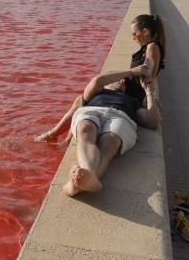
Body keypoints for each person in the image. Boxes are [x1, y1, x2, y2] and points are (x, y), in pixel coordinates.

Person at [35, 66, 160, 197]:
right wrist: (131, 72)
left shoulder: (132, 101)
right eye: (119, 79)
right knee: (85, 130)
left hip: (120, 116)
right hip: (93, 110)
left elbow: (153, 122)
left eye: (125, 82)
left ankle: (79, 182)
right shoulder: (95, 93)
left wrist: (149, 92)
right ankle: (89, 178)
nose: (123, 81)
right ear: (107, 83)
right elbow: (98, 80)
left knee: (109, 141)